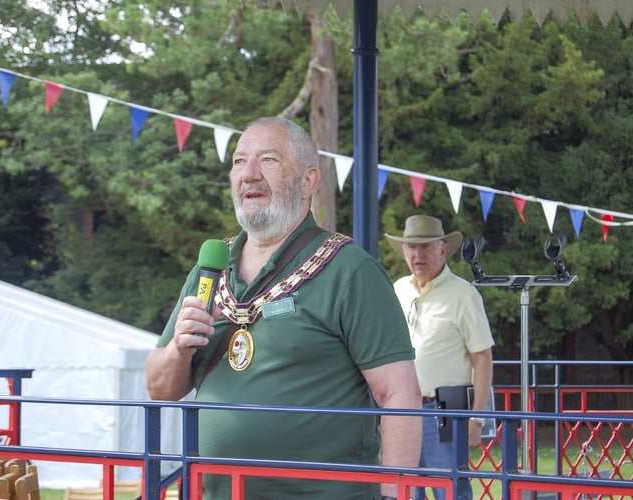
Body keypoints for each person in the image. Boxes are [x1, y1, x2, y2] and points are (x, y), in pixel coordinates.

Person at [145, 116, 422, 499]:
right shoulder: (210, 267)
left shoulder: (350, 270)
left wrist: (395, 495)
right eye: (239, 161)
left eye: (269, 160)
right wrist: (178, 348)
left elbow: (399, 394)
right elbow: (159, 389)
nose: (249, 173)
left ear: (308, 180)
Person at [385, 214, 495, 500]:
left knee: (453, 492)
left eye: (426, 247)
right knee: (407, 492)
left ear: (443, 250)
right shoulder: (397, 289)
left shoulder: (464, 294)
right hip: (403, 409)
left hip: (447, 408)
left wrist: (477, 419)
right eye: (411, 247)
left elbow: (483, 359)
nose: (417, 254)